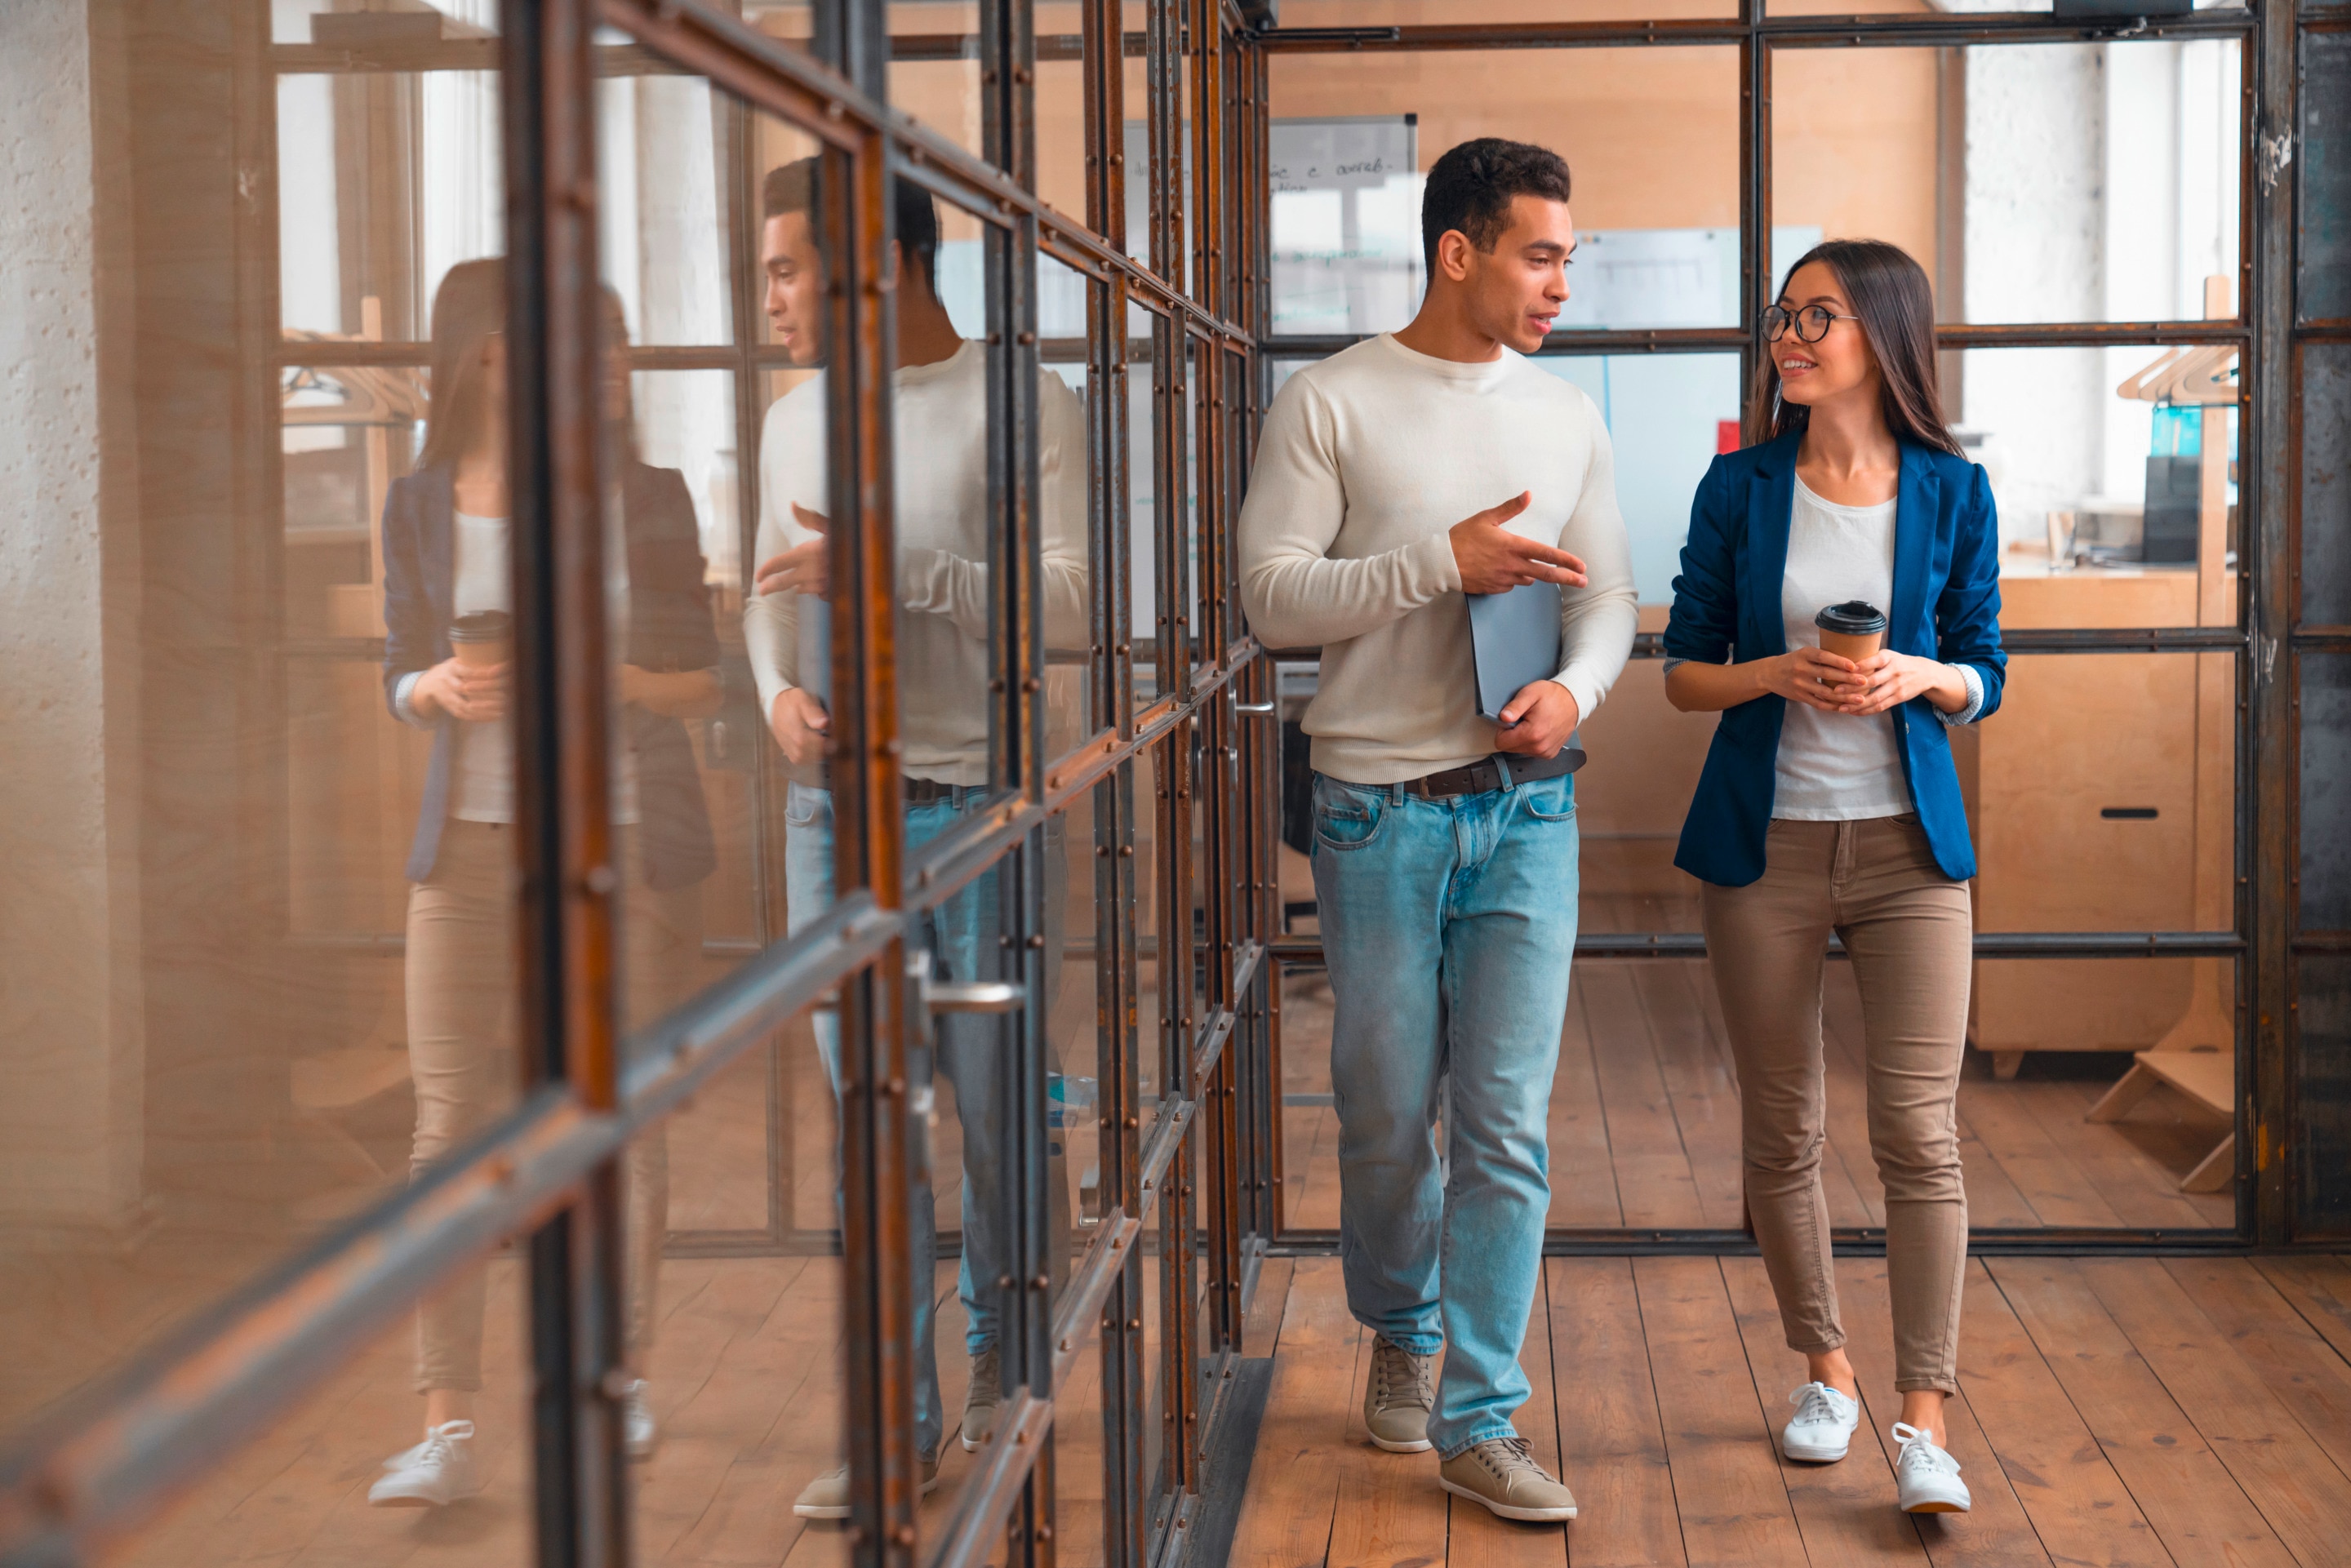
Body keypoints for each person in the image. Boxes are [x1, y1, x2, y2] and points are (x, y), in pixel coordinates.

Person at [1238, 137, 1638, 1524]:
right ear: (1459, 252)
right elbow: (1271, 600)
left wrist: (1573, 690)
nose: (1561, 285)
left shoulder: (1567, 414)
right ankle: (1401, 1330)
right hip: (1375, 817)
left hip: (1530, 809)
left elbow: (1607, 601)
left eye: (1570, 259)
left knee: (1505, 1122)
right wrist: (1436, 563)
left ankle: (1481, 1413)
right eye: (1541, 256)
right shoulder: (1331, 402)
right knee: (1385, 1116)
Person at [740, 159, 1090, 1520]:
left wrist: (904, 570)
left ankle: (1004, 1363)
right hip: (835, 821)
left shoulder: (1022, 401)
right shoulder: (792, 420)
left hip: (979, 810)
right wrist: (775, 692)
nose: (772, 299)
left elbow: (1073, 603)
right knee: (870, 1131)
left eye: (789, 270)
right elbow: (767, 591)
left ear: (879, 267)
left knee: (999, 1120)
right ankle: (896, 1416)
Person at [1661, 238, 2004, 1516]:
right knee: (1783, 1125)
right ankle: (1826, 1371)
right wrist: (1773, 671)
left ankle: (1925, 1420)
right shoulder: (1740, 485)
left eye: (1819, 317)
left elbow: (1985, 666)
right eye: (1784, 315)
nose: (1789, 338)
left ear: (1884, 336)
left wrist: (1926, 675)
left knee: (1919, 1131)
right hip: (1769, 848)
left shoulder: (1954, 490)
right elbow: (1682, 668)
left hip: (1912, 852)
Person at [371, 261, 722, 1506]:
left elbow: (704, 678)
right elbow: (398, 662)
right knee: (446, 1128)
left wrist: (606, 675)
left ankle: (618, 1377)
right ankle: (446, 1422)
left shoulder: (640, 494)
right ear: (471, 359)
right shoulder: (417, 502)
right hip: (466, 851)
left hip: (614, 841)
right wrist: (430, 688)